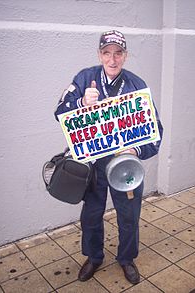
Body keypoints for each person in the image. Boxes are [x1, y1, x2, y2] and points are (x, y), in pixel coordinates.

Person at [54, 30, 163, 285]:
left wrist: (136, 150)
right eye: (107, 53)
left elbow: (154, 128)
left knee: (129, 214)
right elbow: (59, 111)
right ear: (99, 55)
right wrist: (81, 102)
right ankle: (94, 256)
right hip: (93, 164)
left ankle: (126, 258)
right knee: (91, 214)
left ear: (125, 56)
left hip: (125, 165)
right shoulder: (85, 78)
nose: (112, 60)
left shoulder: (137, 85)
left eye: (118, 53)